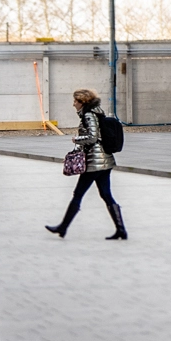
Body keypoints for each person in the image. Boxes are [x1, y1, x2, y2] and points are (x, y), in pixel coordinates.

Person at [47, 84, 127, 241]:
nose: (73, 104)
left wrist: (75, 139)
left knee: (78, 194)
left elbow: (92, 137)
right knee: (106, 194)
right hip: (105, 161)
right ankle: (121, 230)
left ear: (82, 101)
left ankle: (63, 227)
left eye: (75, 101)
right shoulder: (96, 114)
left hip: (94, 163)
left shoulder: (89, 116)